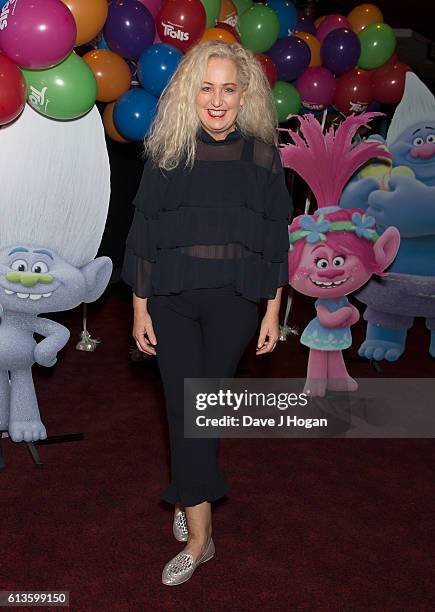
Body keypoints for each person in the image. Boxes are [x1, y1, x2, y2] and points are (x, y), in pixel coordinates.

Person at [122, 40, 292, 586]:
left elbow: (274, 242)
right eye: (206, 88)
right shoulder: (167, 154)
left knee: (204, 410)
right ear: (189, 93)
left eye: (228, 89)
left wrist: (273, 311)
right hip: (170, 297)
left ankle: (189, 490)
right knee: (183, 408)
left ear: (245, 97)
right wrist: (139, 307)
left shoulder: (266, 158)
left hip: (236, 300)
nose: (217, 100)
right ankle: (202, 537)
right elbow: (143, 232)